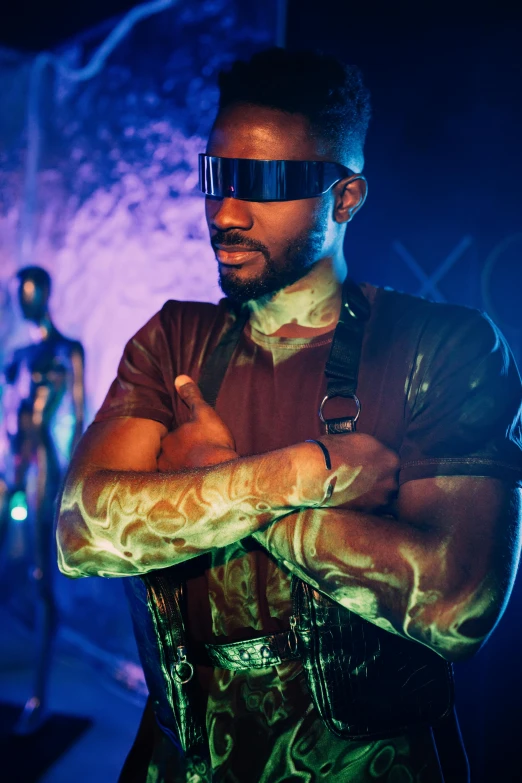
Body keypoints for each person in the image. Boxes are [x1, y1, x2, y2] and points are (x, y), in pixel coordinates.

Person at [56, 48, 522, 782]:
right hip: (182, 763)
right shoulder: (174, 337)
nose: (227, 211)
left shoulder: (441, 347)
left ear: (346, 198)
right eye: (217, 175)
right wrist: (294, 476)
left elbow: (458, 604)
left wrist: (210, 488)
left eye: (269, 184)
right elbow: (81, 534)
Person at [3, 265, 85, 733]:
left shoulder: (66, 350)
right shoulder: (17, 355)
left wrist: (75, 483)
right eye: (19, 294)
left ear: (45, 293)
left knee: (39, 576)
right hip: (10, 462)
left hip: (42, 466)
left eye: (29, 292)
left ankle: (39, 695)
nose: (24, 301)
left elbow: (77, 414)